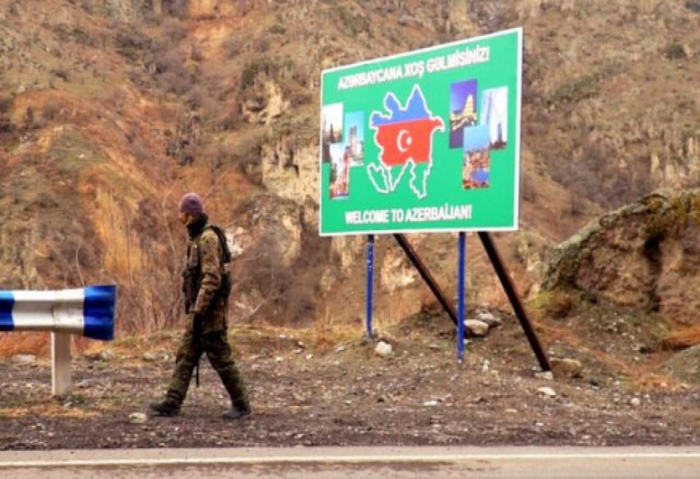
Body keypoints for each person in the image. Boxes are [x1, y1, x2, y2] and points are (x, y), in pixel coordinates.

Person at [150, 192, 251, 420]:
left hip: (209, 316)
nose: (179, 217)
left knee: (222, 360)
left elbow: (212, 278)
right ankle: (172, 402)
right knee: (185, 356)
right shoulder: (195, 239)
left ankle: (242, 404)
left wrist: (199, 310)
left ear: (191, 215)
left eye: (182, 213)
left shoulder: (207, 240)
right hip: (199, 314)